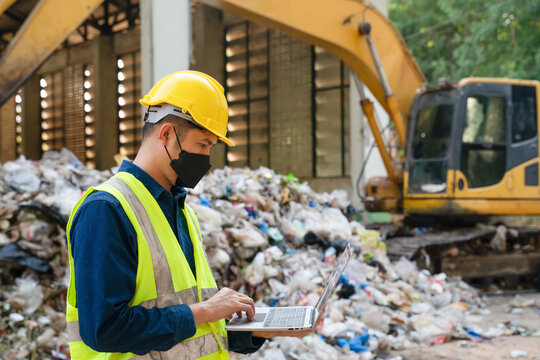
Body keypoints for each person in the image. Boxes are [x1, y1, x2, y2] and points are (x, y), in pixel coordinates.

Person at [65, 70, 323, 359]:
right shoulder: (107, 210)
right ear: (166, 134)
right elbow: (105, 330)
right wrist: (207, 309)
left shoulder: (180, 211)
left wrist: (266, 328)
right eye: (202, 145)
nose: (206, 159)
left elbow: (195, 325)